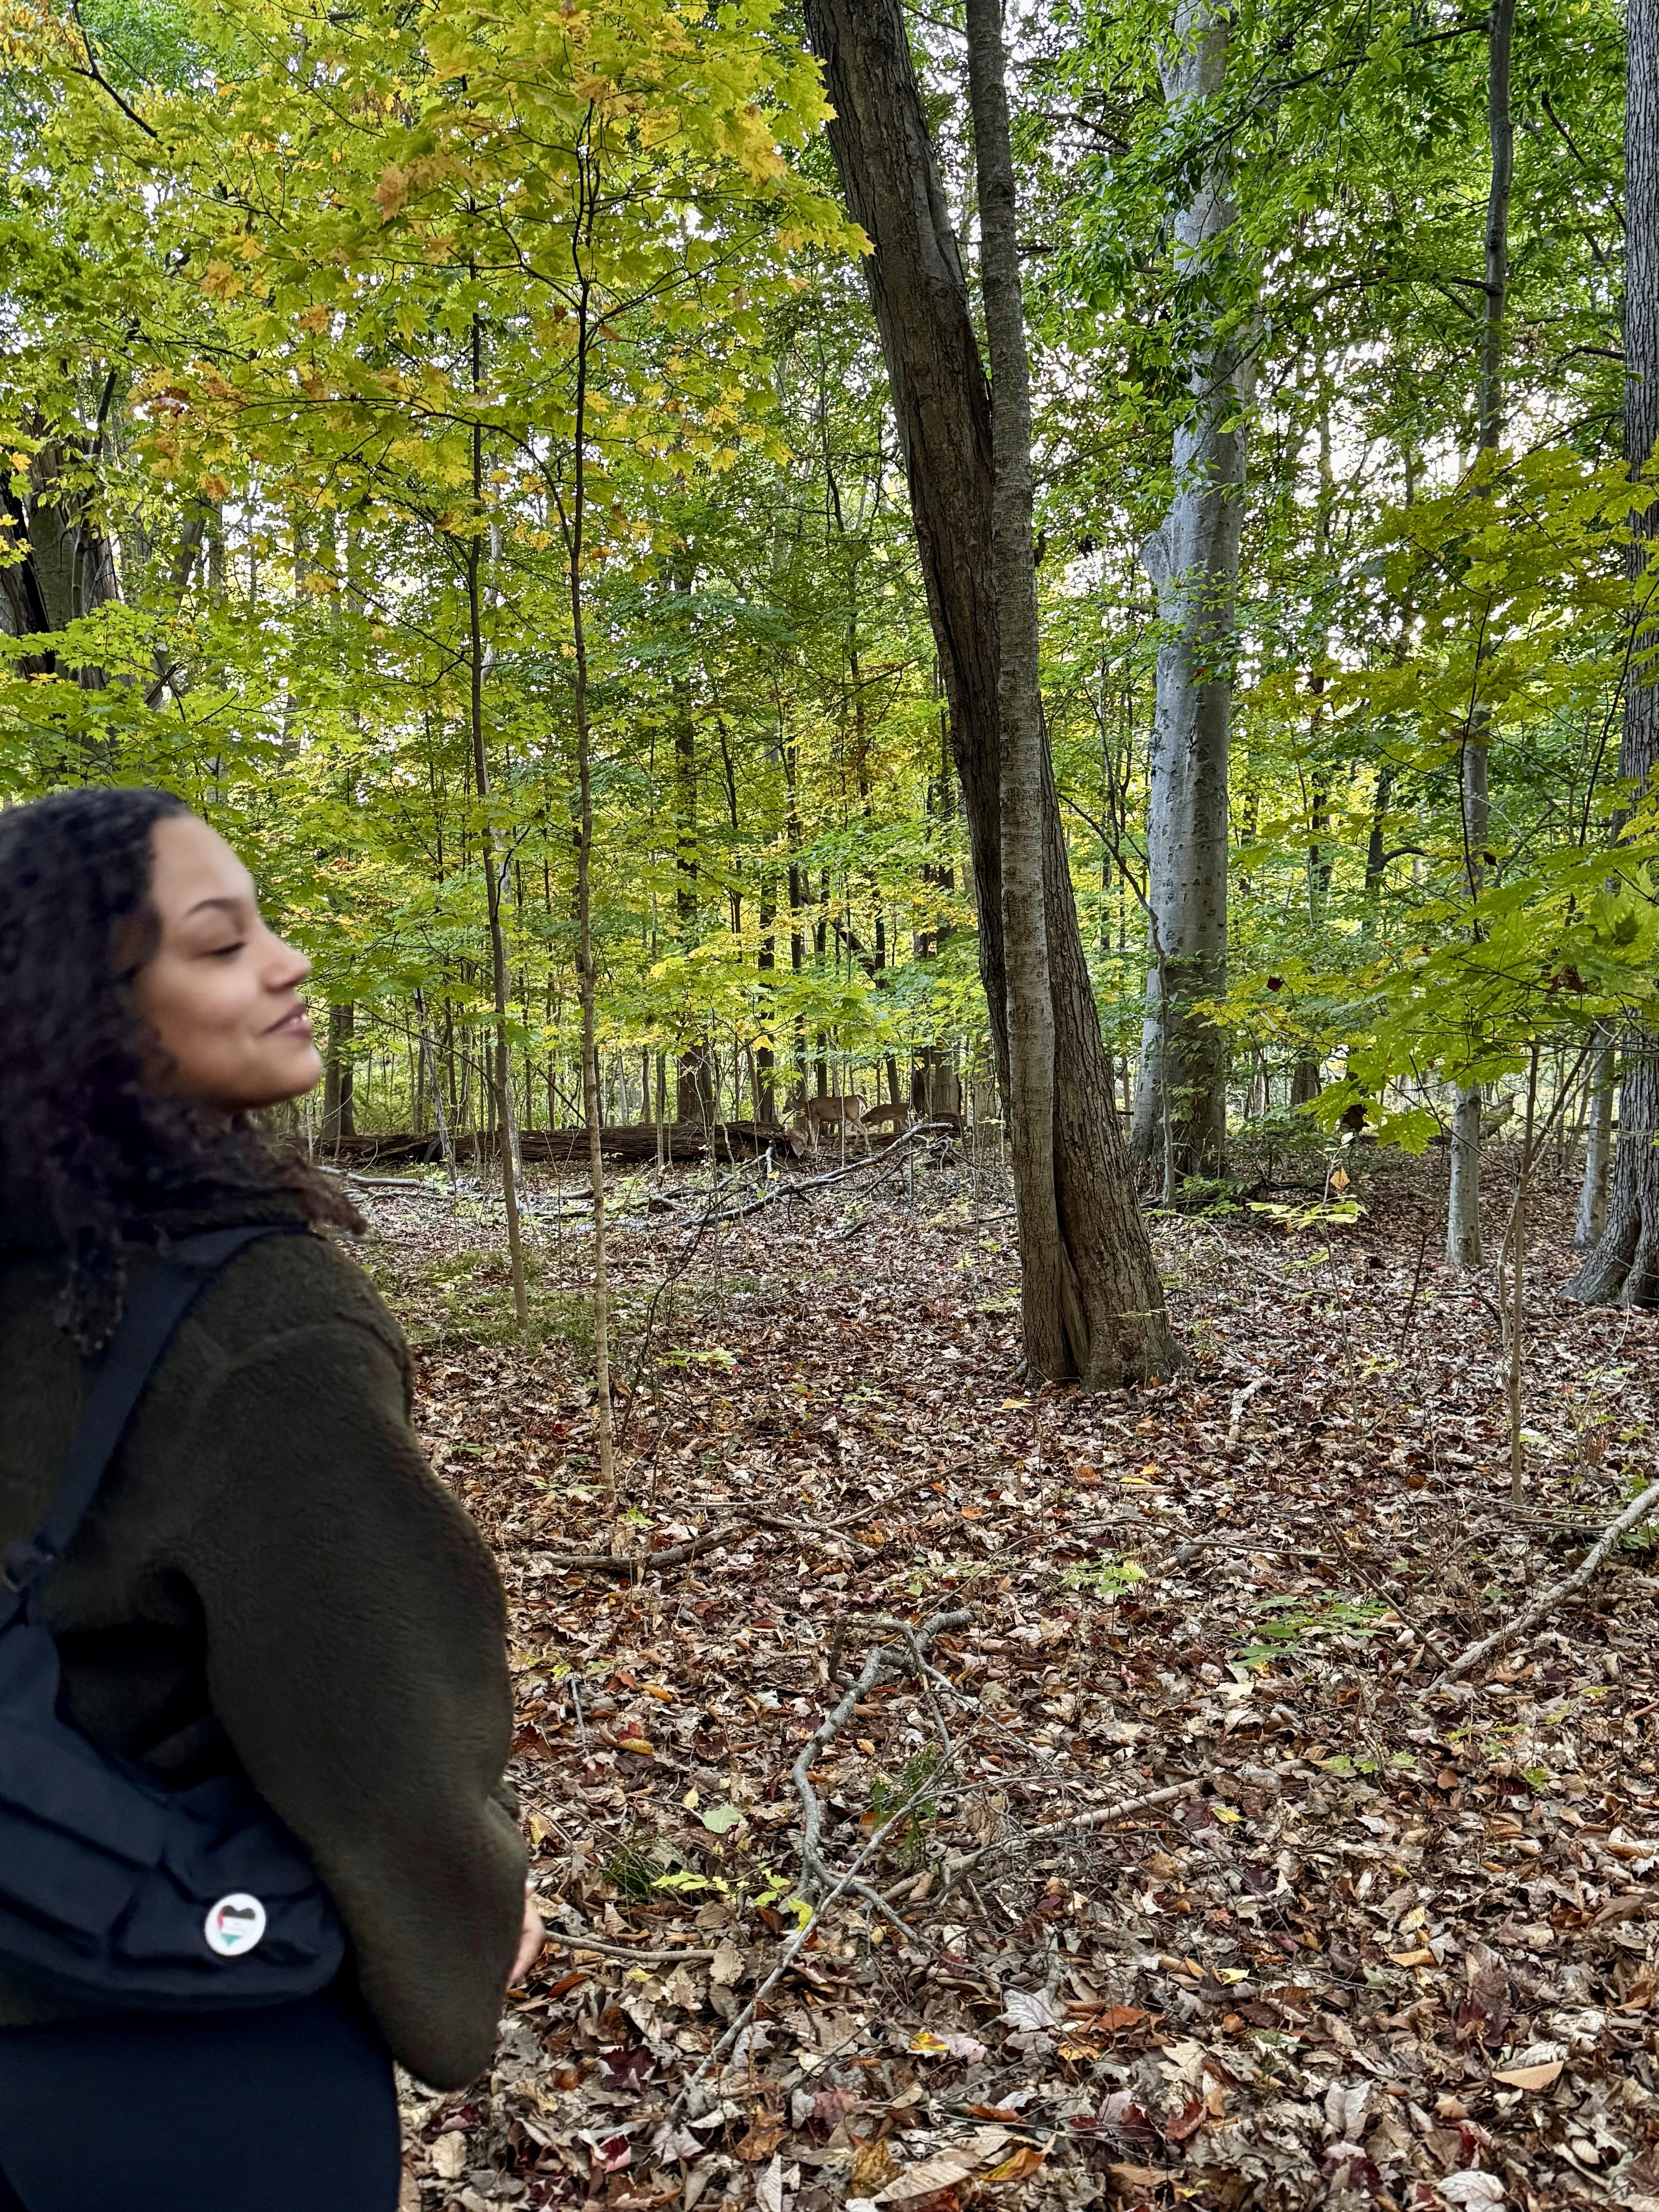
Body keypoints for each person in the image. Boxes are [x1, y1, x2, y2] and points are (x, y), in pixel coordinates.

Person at [0, 788, 542, 2212]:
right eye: (220, 942)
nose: (290, 962)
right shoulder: (262, 1321)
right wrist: (462, 1925)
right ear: (89, 1017)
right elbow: (381, 1729)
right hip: (187, 2039)